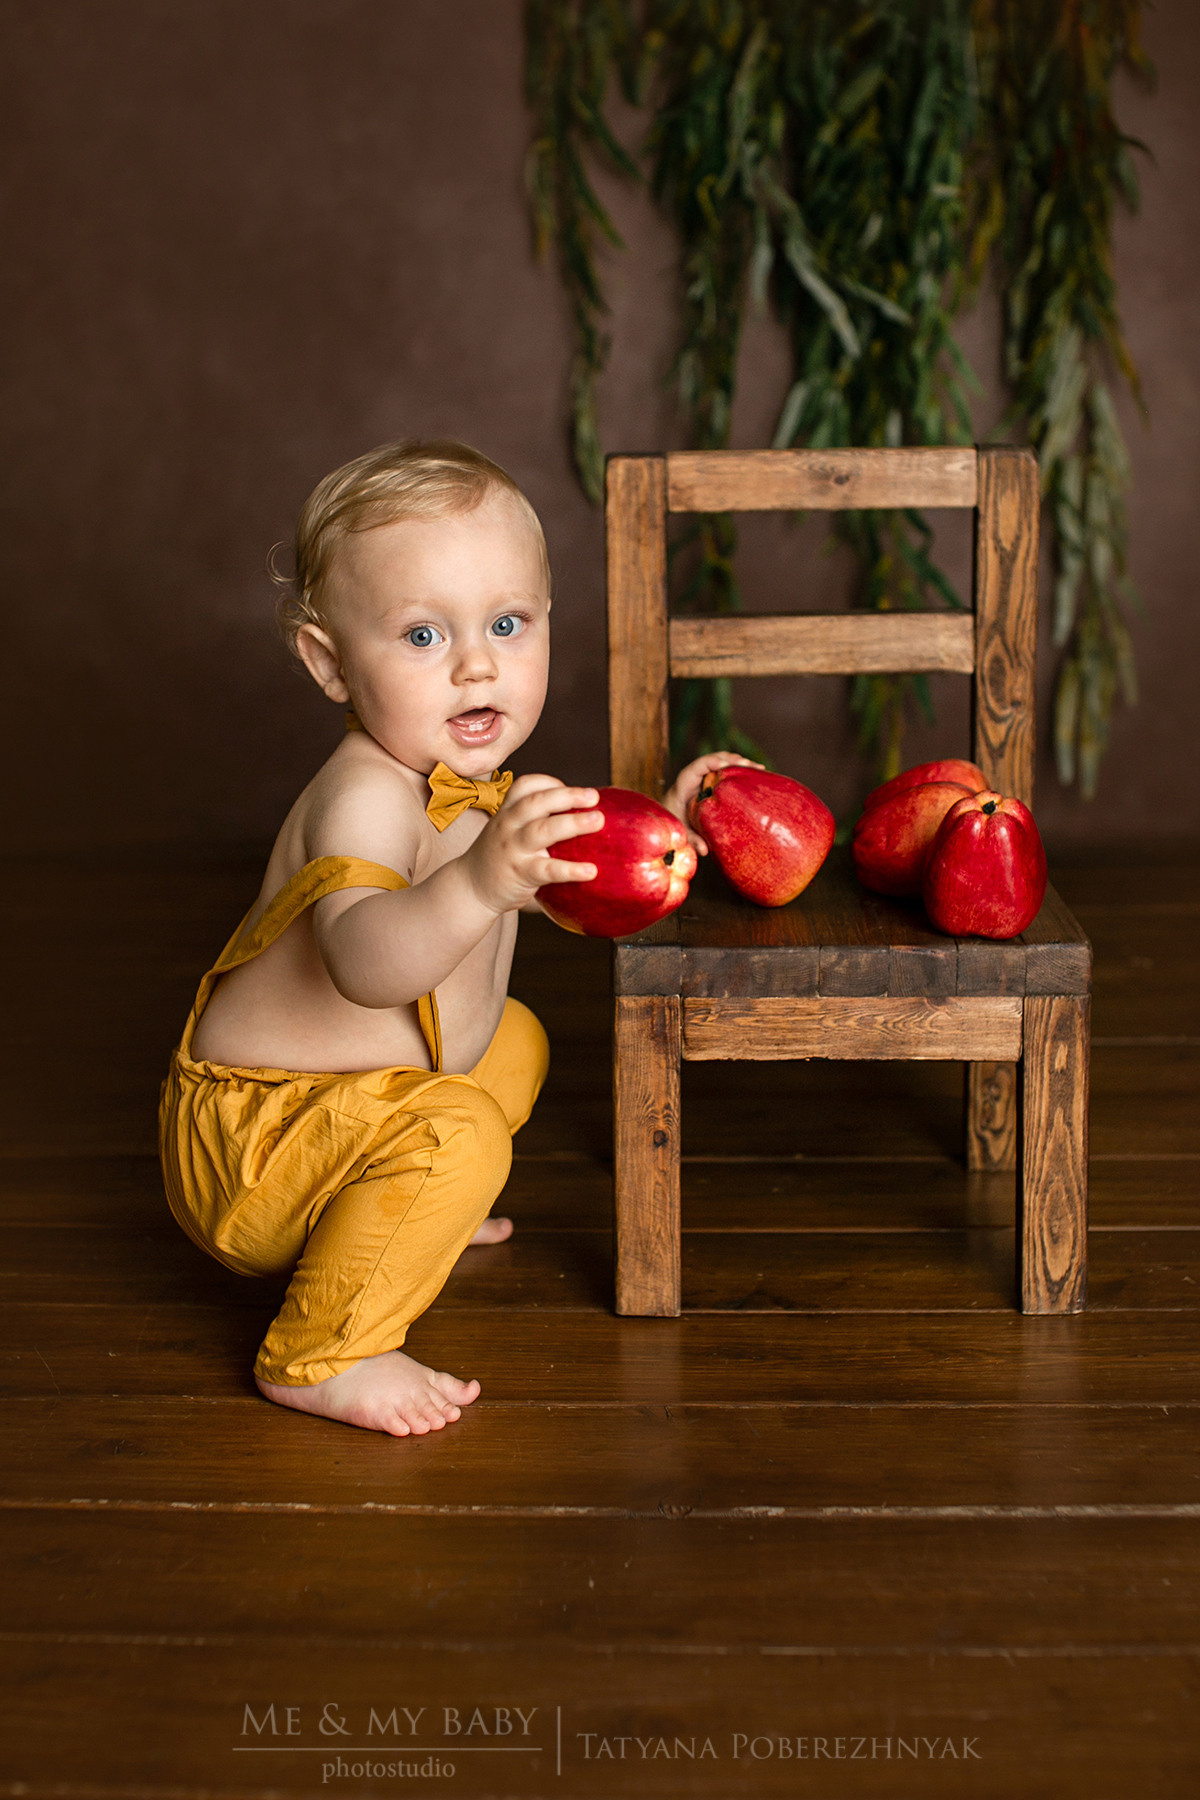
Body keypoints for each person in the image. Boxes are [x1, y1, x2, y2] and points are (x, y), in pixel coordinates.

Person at [159, 438, 751, 1437]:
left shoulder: (477, 783)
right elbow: (364, 964)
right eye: (423, 637)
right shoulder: (362, 798)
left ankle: (395, 1217)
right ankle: (319, 1351)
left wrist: (673, 837)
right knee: (461, 1129)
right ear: (330, 663)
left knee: (512, 1040)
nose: (479, 664)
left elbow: (565, 893)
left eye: (508, 624)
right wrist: (484, 878)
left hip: (344, 1112)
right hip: (253, 1141)